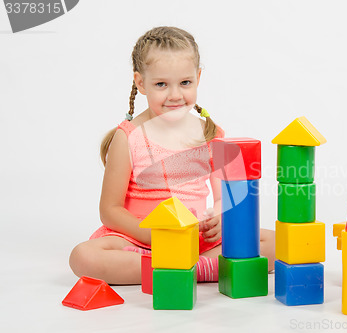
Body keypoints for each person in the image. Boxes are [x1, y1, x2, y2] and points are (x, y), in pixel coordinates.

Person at [69, 26, 275, 285]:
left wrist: (221, 219)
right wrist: (152, 235)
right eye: (161, 84)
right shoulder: (128, 137)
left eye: (185, 83)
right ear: (141, 83)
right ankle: (194, 268)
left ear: (198, 77)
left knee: (277, 242)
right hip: (141, 239)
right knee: (83, 257)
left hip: (196, 239)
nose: (175, 95)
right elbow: (110, 210)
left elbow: (227, 198)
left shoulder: (211, 134)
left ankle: (185, 268)